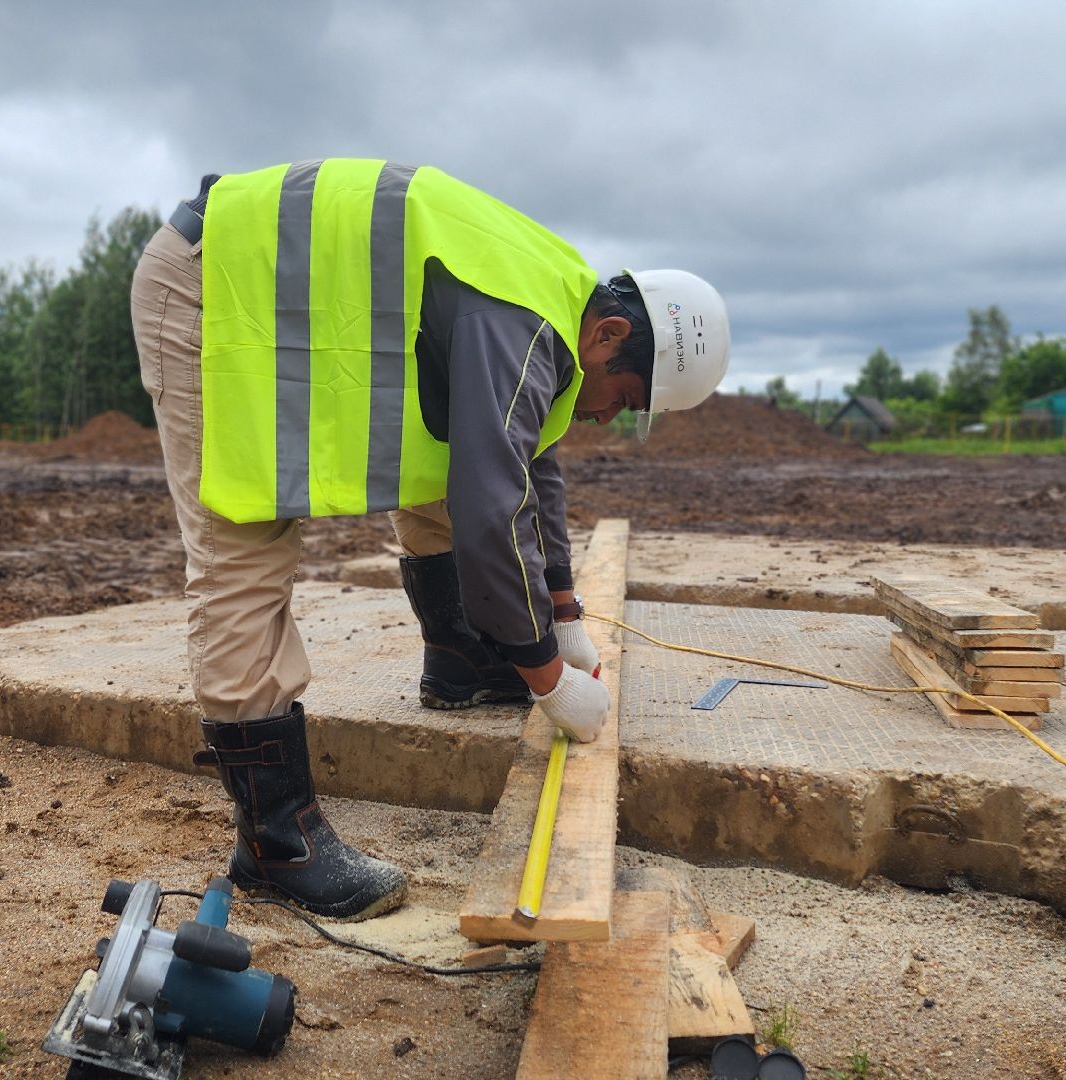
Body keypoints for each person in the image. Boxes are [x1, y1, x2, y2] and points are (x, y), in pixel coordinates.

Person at [128, 159, 730, 921]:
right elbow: (491, 511)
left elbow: (526, 463)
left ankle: (463, 660)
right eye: (627, 396)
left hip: (278, 297)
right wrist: (549, 678)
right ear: (610, 336)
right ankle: (277, 839)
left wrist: (564, 612)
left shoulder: (559, 296)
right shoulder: (527, 321)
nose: (610, 416)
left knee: (452, 466)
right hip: (215, 290)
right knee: (243, 547)